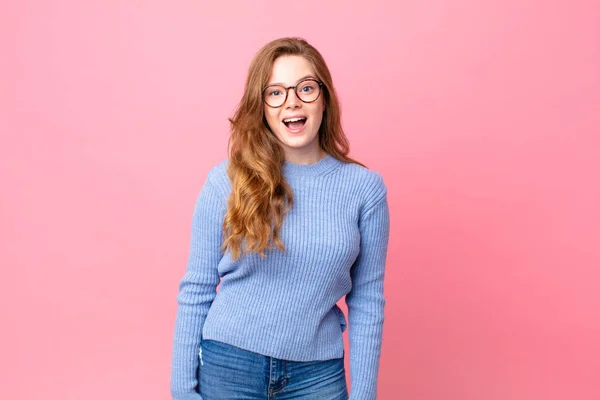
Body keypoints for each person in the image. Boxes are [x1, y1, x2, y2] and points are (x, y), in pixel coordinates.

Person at [170, 37, 390, 400]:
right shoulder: (226, 180)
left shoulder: (364, 190)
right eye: (276, 92)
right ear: (262, 106)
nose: (292, 101)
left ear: (324, 98)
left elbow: (367, 299)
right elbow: (196, 288)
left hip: (317, 377)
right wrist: (182, 391)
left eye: (305, 88)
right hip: (229, 367)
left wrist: (364, 395)